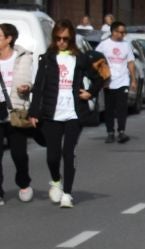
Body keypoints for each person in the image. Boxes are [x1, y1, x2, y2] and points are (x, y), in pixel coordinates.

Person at [26, 21, 103, 208]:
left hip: (74, 114)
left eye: (65, 39)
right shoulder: (47, 59)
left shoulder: (80, 58)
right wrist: (34, 112)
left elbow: (99, 78)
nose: (61, 42)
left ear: (71, 39)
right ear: (54, 38)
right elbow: (38, 88)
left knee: (68, 153)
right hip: (52, 114)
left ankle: (67, 194)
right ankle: (55, 181)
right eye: (58, 38)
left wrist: (90, 93)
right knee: (52, 156)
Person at [1, 23, 37, 201]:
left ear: (8, 39)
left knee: (19, 153)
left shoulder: (23, 57)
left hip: (15, 109)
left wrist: (27, 87)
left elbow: (30, 80)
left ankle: (23, 183)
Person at [96, 21, 135, 145]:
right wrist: (101, 76)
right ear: (113, 32)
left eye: (124, 32)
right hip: (109, 81)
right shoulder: (104, 45)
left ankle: (122, 132)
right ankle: (110, 133)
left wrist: (133, 79)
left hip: (123, 80)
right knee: (109, 108)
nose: (121, 34)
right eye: (119, 32)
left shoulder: (127, 45)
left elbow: (130, 63)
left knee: (122, 108)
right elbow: (95, 60)